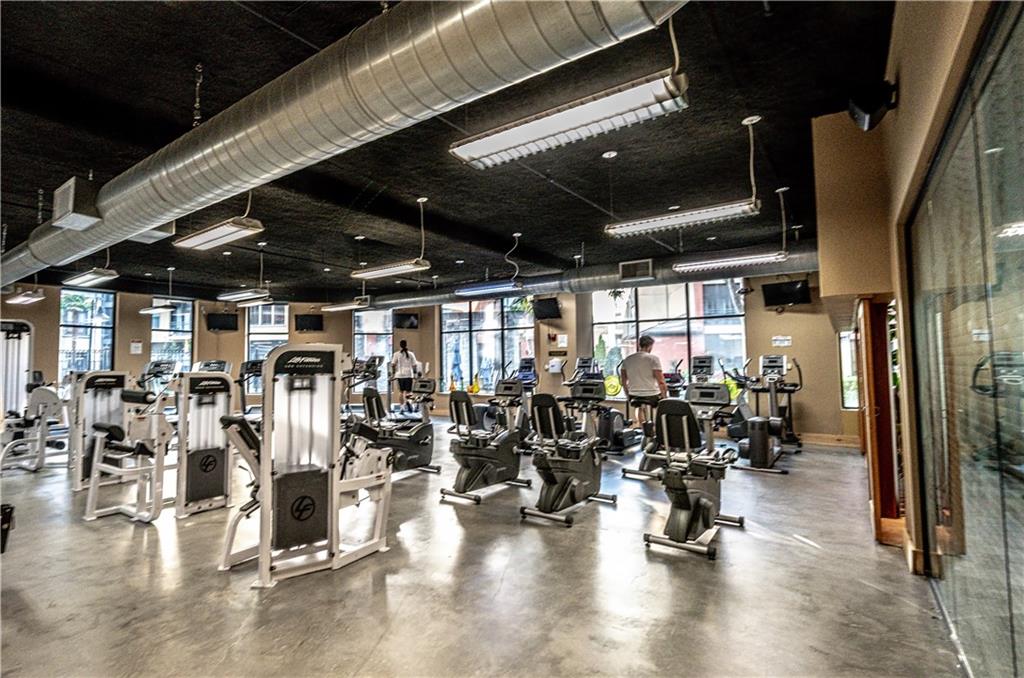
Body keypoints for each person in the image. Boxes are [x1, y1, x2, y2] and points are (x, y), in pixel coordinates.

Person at [620, 335, 667, 426]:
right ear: (650, 346)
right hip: (651, 395)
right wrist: (665, 397)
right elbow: (661, 382)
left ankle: (642, 428)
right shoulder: (653, 359)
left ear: (639, 345)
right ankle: (656, 429)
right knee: (661, 404)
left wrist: (627, 395)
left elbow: (623, 381)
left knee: (639, 407)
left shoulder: (627, 359)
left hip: (634, 395)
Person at [390, 340, 419, 412]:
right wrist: (415, 374)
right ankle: (408, 402)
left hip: (400, 375)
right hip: (409, 374)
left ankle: (402, 407)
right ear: (406, 345)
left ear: (400, 345)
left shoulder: (396, 354)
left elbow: (393, 364)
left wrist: (393, 374)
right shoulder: (411, 354)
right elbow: (414, 365)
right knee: (409, 392)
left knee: (401, 392)